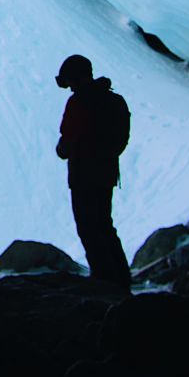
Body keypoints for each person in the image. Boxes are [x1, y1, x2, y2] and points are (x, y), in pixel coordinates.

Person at [54, 54, 132, 286]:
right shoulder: (114, 101)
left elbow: (64, 145)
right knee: (104, 225)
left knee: (88, 227)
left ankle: (103, 278)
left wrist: (68, 146)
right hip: (106, 173)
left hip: (82, 175)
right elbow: (119, 140)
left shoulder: (78, 103)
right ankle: (120, 277)